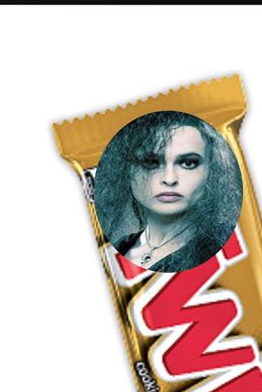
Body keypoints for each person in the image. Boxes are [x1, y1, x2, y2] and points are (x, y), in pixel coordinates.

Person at [94, 111, 243, 272]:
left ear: (212, 170)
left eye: (188, 163)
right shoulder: (117, 249)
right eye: (151, 162)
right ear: (128, 171)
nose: (169, 179)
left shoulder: (224, 246)